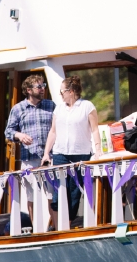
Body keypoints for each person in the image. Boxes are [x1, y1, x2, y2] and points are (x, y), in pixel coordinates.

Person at [40, 76, 100, 221]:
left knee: (74, 192)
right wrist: (46, 153)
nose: (60, 95)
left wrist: (98, 150)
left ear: (71, 91)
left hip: (80, 154)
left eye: (62, 92)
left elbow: (95, 130)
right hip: (60, 154)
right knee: (58, 191)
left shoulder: (87, 107)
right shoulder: (58, 109)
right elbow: (53, 131)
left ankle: (70, 221)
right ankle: (59, 223)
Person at [5, 74, 56, 169]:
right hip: (29, 160)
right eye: (39, 87)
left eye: (43, 85)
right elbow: (8, 132)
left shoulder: (51, 105)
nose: (43, 89)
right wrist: (20, 136)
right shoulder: (18, 109)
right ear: (29, 90)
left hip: (50, 157)